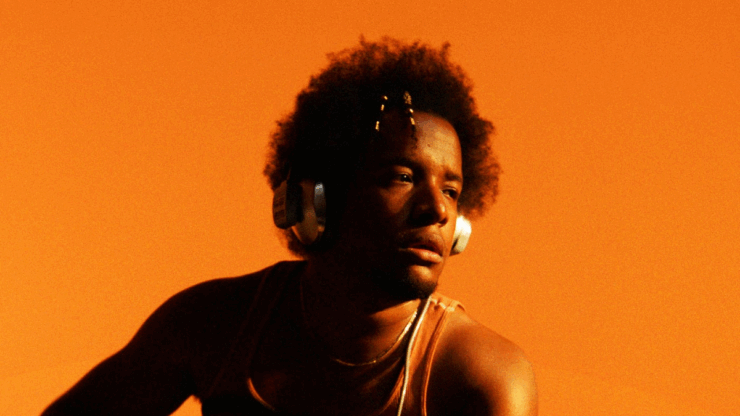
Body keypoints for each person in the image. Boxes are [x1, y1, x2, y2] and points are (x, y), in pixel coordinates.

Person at [42, 38, 537, 416]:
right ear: (314, 200)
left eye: (451, 190)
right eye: (402, 177)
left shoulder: (482, 377)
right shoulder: (211, 324)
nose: (436, 209)